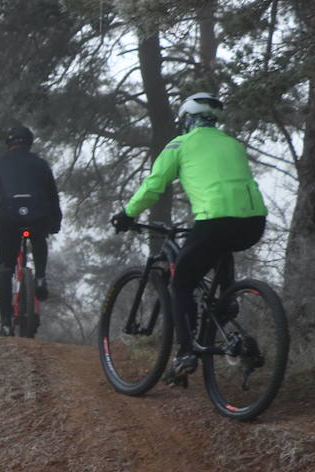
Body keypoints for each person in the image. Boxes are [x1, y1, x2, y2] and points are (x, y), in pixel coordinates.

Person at [111, 92, 268, 382]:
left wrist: (127, 214)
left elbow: (154, 185)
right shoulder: (233, 143)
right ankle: (224, 305)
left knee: (181, 282)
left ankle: (185, 353)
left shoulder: (180, 144)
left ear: (186, 119)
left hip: (215, 220)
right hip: (254, 221)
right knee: (221, 248)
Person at [0, 125, 62, 337]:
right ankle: (40, 277)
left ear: (9, 144)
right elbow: (53, 197)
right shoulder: (41, 164)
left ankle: (5, 324)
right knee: (39, 238)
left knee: (5, 269)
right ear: (30, 143)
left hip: (10, 218)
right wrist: (55, 222)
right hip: (37, 216)